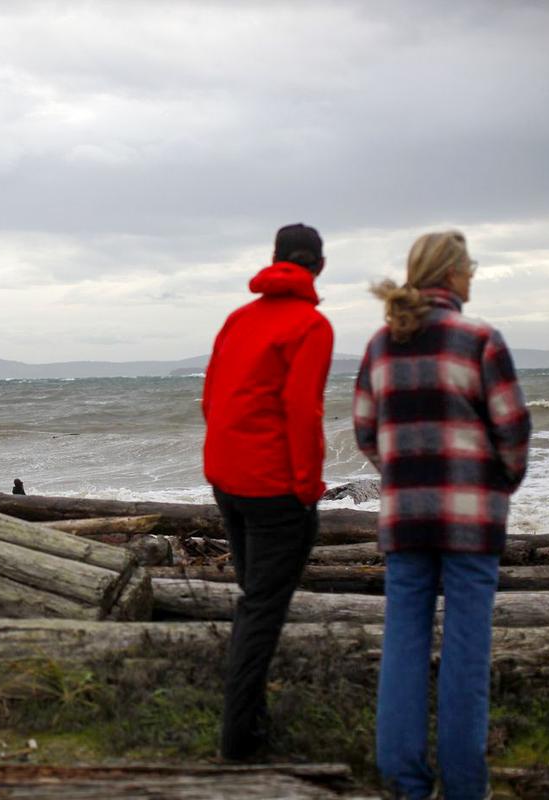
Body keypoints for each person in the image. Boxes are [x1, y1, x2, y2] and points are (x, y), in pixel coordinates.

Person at [354, 231, 530, 800]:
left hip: (406, 519)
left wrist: (405, 474)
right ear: (452, 275)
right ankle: (463, 787)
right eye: (470, 267)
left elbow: (365, 430)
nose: (473, 276)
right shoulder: (478, 339)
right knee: (466, 654)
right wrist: (498, 482)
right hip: (470, 522)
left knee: (403, 647)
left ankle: (405, 783)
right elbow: (513, 431)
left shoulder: (382, 344)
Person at [201, 223, 334, 761]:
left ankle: (250, 723)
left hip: (227, 482)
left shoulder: (238, 319)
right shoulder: (312, 325)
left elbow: (210, 399)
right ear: (319, 267)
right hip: (276, 491)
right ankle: (240, 744)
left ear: (273, 259)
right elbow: (304, 412)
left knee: (254, 602)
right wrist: (307, 490)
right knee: (262, 610)